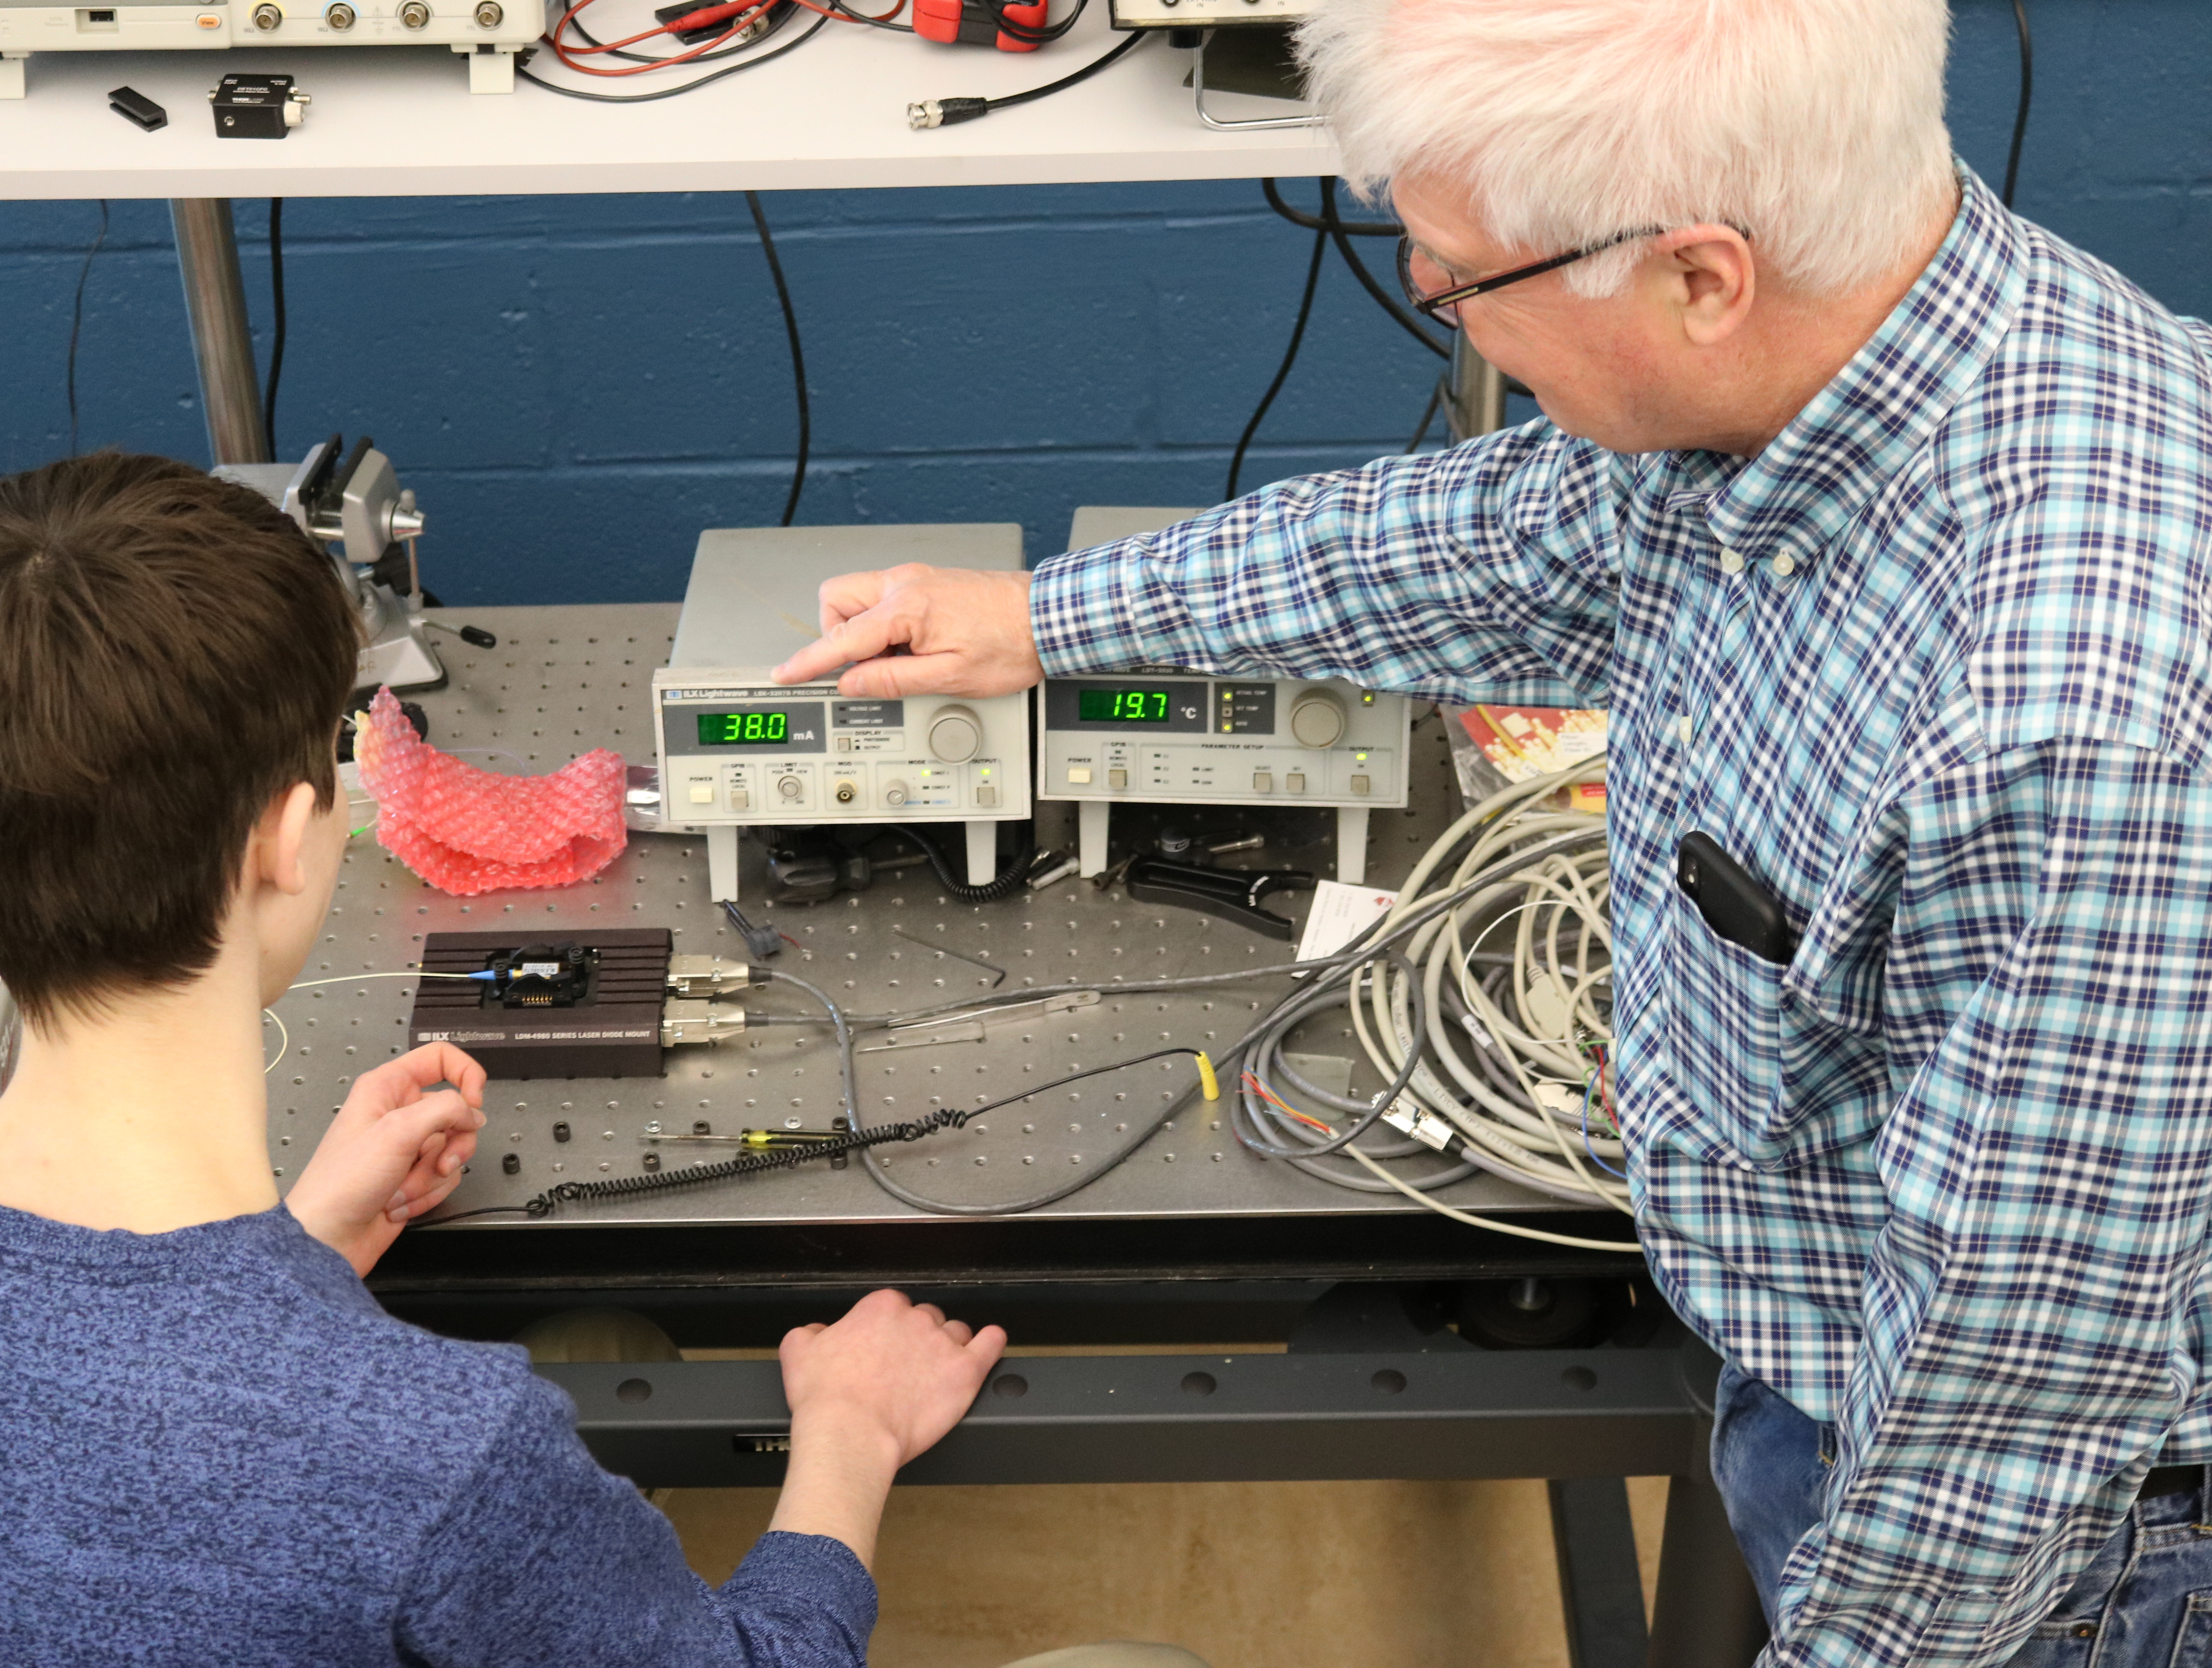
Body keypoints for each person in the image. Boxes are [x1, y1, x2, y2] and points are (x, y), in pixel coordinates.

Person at [774, 2, 2212, 1663]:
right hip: (1820, 1325)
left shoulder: (2081, 729)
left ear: (1699, 275)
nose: (1444, 306)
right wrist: (1041, 617)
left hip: (2041, 1543)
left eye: (1457, 280)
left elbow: (2003, 1405)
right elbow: (1512, 537)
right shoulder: (1866, 337)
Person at [0, 453, 1025, 1667]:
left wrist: (295, 1254)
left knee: (608, 1340)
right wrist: (851, 1433)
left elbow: (73, 1495)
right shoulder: (433, 1451)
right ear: (291, 841)